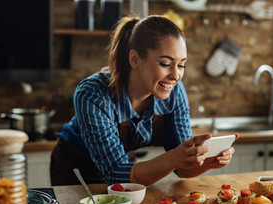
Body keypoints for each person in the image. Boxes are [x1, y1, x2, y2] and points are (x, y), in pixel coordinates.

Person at [50, 15, 235, 187]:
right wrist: (173, 158)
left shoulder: (174, 92)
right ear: (135, 59)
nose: (176, 75)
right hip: (75, 169)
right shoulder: (93, 93)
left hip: (123, 166)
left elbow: (182, 167)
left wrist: (206, 162)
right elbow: (115, 174)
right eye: (165, 64)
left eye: (181, 65)